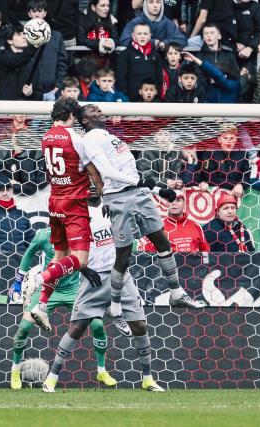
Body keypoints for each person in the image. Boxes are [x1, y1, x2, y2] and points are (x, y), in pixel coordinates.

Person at [76, 103, 206, 335]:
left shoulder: (109, 136)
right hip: (120, 198)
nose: (99, 111)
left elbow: (132, 173)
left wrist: (157, 190)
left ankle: (176, 293)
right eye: (92, 110)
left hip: (139, 194)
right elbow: (106, 172)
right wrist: (138, 184)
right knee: (124, 256)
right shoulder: (90, 139)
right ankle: (115, 308)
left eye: (98, 108)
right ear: (84, 120)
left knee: (162, 242)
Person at [41, 190, 165, 393]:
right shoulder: (75, 216)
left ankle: (148, 379)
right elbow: (67, 250)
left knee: (140, 326)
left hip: (121, 276)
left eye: (94, 185)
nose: (90, 189)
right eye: (86, 185)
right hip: (94, 279)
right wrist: (84, 268)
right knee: (77, 327)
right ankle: (52, 377)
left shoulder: (113, 208)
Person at [27, 97, 105, 332]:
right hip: (74, 204)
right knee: (80, 260)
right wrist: (104, 194)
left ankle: (40, 306)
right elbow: (93, 171)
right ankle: (39, 279)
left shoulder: (46, 136)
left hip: (54, 201)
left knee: (59, 255)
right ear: (72, 114)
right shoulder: (76, 139)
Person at [8, 221, 116, 389]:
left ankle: (101, 370)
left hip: (74, 290)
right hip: (47, 290)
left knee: (97, 325)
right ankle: (15, 370)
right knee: (23, 328)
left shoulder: (80, 234)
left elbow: (84, 257)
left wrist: (87, 270)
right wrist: (18, 280)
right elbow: (29, 253)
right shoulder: (44, 234)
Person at [26, 0, 70, 101]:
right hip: (29, 91)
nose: (37, 14)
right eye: (34, 11)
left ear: (45, 13)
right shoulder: (22, 35)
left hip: (51, 91)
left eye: (40, 11)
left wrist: (57, 86)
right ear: (29, 14)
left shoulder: (56, 36)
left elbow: (62, 63)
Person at [139, 190, 210, 252]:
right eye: (170, 200)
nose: (174, 203)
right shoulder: (158, 227)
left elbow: (205, 252)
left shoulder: (196, 226)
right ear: (167, 204)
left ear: (184, 204)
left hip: (192, 266)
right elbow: (149, 253)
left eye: (178, 200)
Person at [116, 22, 163, 101]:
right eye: (139, 33)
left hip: (152, 101)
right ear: (133, 36)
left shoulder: (156, 55)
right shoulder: (125, 54)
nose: (142, 36)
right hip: (131, 100)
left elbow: (160, 79)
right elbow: (121, 80)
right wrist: (125, 99)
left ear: (150, 36)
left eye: (145, 34)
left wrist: (157, 97)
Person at [0, 24, 43, 101]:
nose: (24, 37)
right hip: (6, 109)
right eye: (19, 34)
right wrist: (34, 45)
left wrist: (31, 93)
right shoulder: (3, 58)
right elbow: (18, 61)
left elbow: (40, 95)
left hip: (26, 110)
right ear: (9, 40)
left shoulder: (32, 62)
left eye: (25, 34)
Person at [120, 0, 187, 48]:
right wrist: (148, 43)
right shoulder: (135, 22)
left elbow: (182, 40)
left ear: (162, 4)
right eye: (151, 2)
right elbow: (124, 40)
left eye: (158, 2)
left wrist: (165, 43)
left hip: (162, 63)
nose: (155, 5)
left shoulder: (168, 23)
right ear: (145, 4)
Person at [77, 0, 119, 65]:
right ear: (93, 7)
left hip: (106, 63)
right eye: (103, 6)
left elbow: (115, 38)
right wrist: (100, 43)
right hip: (86, 62)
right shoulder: (83, 19)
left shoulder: (111, 19)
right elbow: (81, 39)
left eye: (108, 6)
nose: (106, 9)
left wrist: (112, 43)